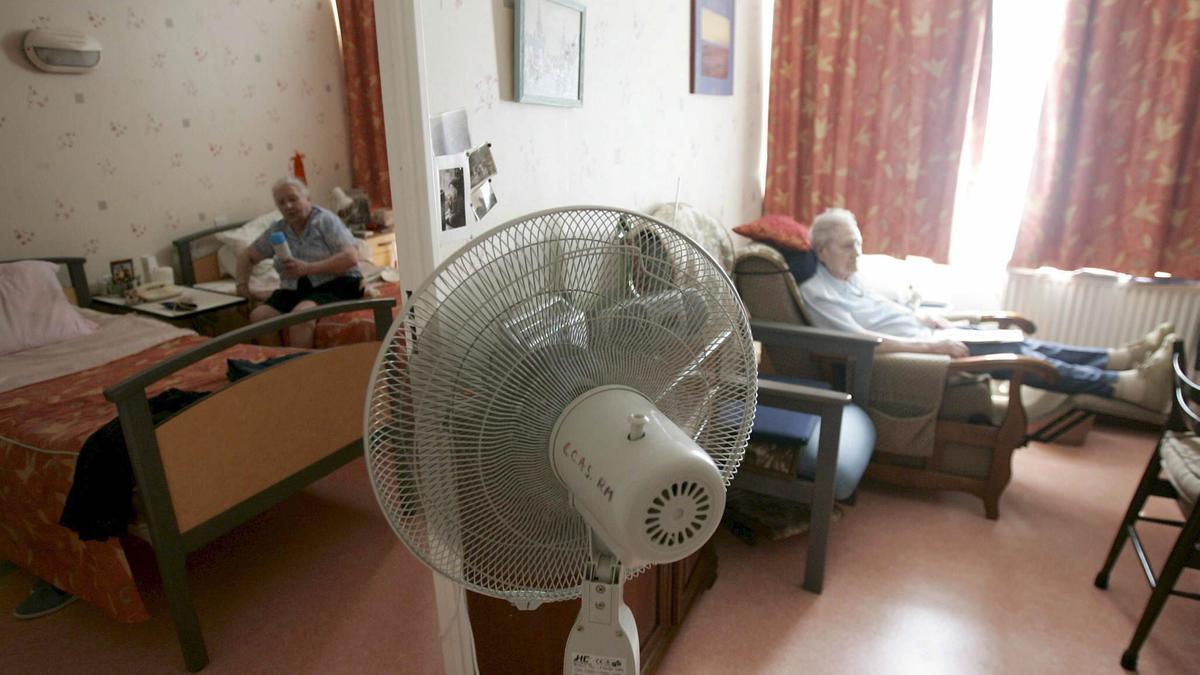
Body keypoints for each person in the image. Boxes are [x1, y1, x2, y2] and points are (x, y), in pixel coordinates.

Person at [798, 208, 1176, 411]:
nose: (858, 253)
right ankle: (1129, 387)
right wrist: (930, 346)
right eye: (849, 246)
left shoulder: (847, 277)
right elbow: (860, 341)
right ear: (822, 249)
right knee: (1022, 357)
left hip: (931, 335)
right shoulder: (819, 293)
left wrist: (922, 317)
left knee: (1022, 343)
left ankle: (1120, 358)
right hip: (921, 354)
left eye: (859, 244)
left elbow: (881, 307)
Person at [236, 177, 363, 348]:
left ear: (307, 199)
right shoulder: (278, 229)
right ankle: (275, 365)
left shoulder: (325, 221)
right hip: (296, 289)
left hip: (336, 283)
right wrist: (242, 288)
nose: (288, 206)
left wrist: (308, 268)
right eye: (281, 203)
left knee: (300, 317)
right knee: (258, 316)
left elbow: (351, 257)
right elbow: (247, 257)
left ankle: (302, 372)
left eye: (293, 199)